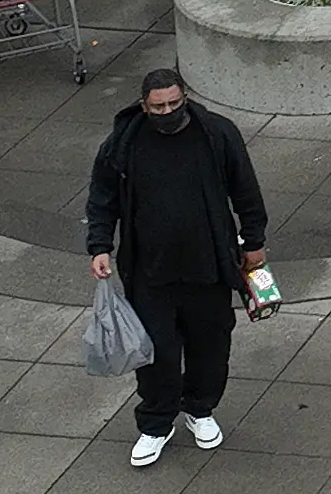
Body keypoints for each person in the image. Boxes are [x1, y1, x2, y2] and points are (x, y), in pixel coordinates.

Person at [86, 68, 266, 466]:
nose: (166, 112)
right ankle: (156, 424)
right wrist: (100, 246)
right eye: (158, 107)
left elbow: (245, 189)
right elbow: (102, 198)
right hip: (150, 274)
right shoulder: (123, 144)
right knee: (156, 354)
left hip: (209, 268)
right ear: (143, 104)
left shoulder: (217, 134)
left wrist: (254, 242)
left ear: (184, 97)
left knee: (211, 347)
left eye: (173, 104)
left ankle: (200, 409)